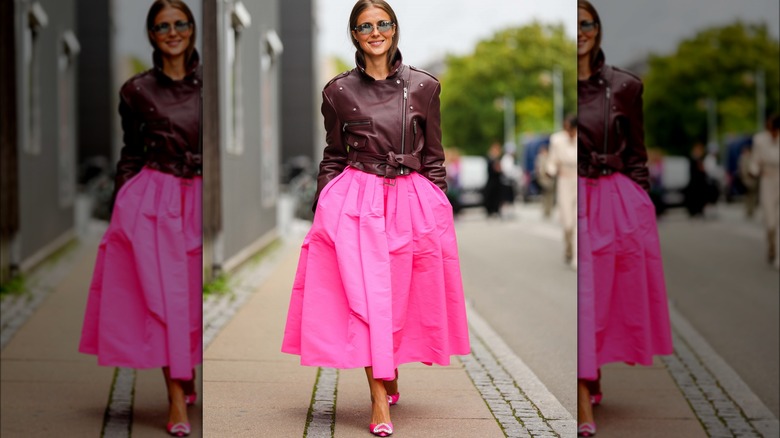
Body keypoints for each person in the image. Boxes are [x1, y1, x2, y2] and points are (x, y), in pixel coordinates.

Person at [281, 1, 470, 436]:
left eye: (383, 23)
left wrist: (438, 207)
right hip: (357, 200)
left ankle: (391, 369)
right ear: (354, 34)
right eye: (365, 26)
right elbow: (334, 153)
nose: (376, 32)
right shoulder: (337, 91)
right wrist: (323, 205)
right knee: (366, 299)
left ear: (395, 28)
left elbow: (434, 156)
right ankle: (378, 399)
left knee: (403, 297)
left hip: (411, 199)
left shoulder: (425, 86)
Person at [79, 1, 202, 436]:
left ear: (192, 28)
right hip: (156, 200)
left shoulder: (211, 85)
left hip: (202, 197)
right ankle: (175, 398)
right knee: (164, 297)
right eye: (163, 26)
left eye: (180, 23)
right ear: (152, 34)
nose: (173, 32)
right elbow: (131, 152)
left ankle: (186, 371)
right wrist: (121, 207)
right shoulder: (136, 90)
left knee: (192, 298)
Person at [576, 1, 674, 435]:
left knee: (606, 295)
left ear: (597, 28)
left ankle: (592, 369)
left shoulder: (625, 86)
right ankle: (581, 396)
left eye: (585, 23)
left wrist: (640, 206)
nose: (578, 32)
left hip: (614, 200)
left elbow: (637, 155)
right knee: (581, 296)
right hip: (575, 197)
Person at [547, 115, 578, 267]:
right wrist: (550, 171)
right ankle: (568, 249)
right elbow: (552, 161)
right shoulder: (557, 140)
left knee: (578, 221)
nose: (568, 132)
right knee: (567, 223)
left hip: (580, 182)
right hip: (564, 181)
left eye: (570, 128)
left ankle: (577, 257)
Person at [750, 114, 780, 269]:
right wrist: (754, 171)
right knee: (771, 221)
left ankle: (778, 256)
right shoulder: (760, 140)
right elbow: (755, 161)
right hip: (767, 180)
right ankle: (772, 247)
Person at [484, 142, 505, 217]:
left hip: (497, 181)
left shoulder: (497, 159)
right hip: (492, 181)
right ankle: (491, 211)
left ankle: (496, 210)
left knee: (497, 197)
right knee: (490, 196)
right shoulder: (490, 158)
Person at [535, 146, 556, 219]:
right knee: (545, 195)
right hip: (543, 179)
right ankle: (545, 210)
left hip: (550, 179)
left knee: (550, 196)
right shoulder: (540, 158)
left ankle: (549, 210)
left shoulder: (550, 158)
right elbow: (539, 169)